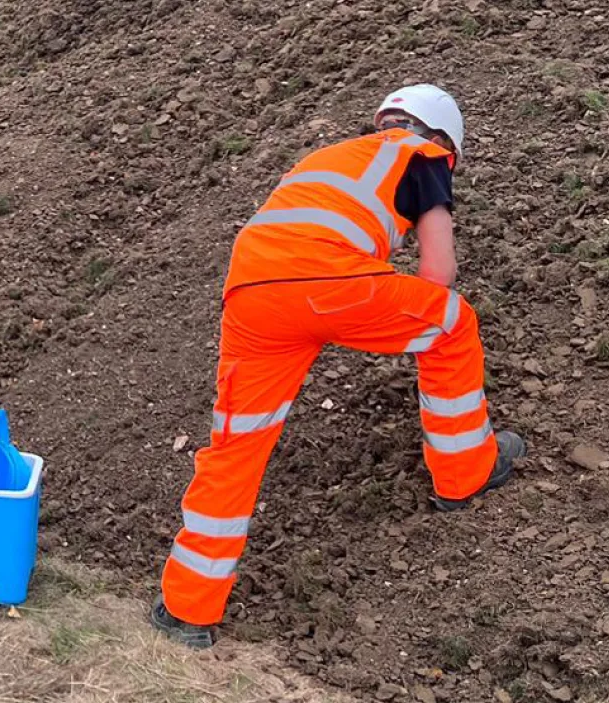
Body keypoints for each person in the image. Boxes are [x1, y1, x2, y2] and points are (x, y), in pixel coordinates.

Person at [150, 84, 527, 648]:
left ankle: (187, 609)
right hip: (330, 284)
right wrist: (398, 318)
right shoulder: (424, 157)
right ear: (445, 139)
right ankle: (464, 473)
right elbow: (438, 273)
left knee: (237, 444)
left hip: (251, 293)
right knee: (452, 324)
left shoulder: (326, 158)